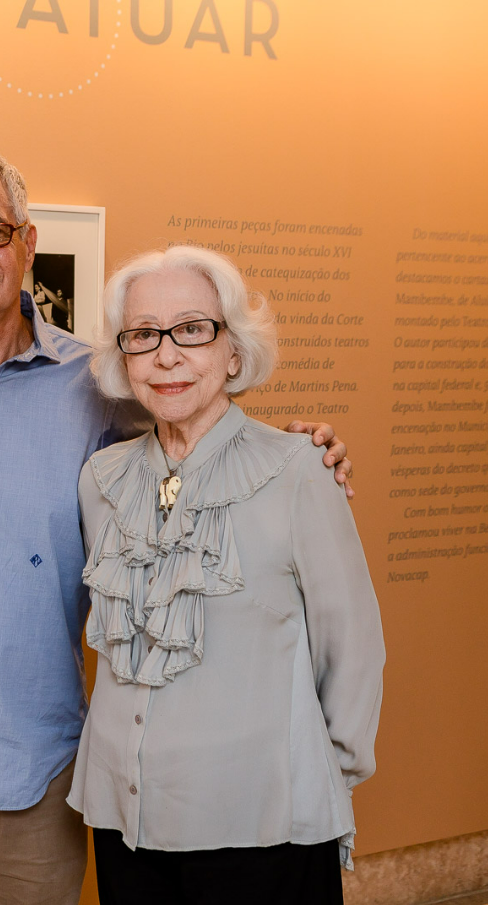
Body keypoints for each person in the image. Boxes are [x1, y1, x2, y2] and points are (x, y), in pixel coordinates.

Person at [0, 146, 354, 905]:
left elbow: (197, 435)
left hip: (39, 765)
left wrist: (309, 451)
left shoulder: (100, 384)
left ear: (27, 240)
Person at [72, 244, 385, 904]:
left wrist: (320, 777)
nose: (166, 354)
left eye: (191, 329)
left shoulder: (298, 469)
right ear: (123, 360)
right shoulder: (100, 480)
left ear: (233, 352)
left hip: (259, 821)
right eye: (142, 335)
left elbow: (351, 646)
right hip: (124, 814)